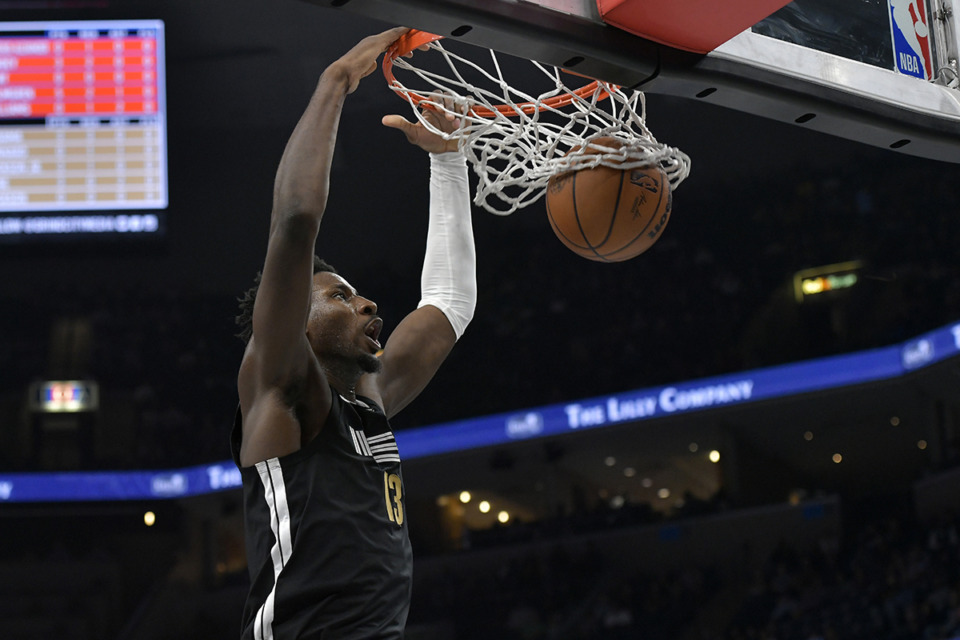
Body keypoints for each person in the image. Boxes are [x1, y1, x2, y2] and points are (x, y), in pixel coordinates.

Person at [231, 27, 476, 639]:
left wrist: (448, 162)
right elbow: (295, 221)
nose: (367, 303)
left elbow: (450, 303)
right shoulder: (284, 394)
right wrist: (336, 81)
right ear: (297, 325)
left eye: (357, 293)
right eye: (339, 296)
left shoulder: (371, 397)